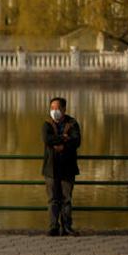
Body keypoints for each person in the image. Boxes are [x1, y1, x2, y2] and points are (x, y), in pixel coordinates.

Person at [42, 96, 82, 236]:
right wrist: (64, 138)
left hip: (68, 167)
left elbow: (76, 141)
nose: (54, 111)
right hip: (50, 167)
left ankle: (67, 227)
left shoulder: (72, 123)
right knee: (53, 199)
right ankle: (53, 227)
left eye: (57, 108)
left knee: (66, 199)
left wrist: (62, 146)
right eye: (52, 108)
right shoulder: (47, 124)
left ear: (64, 109)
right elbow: (47, 139)